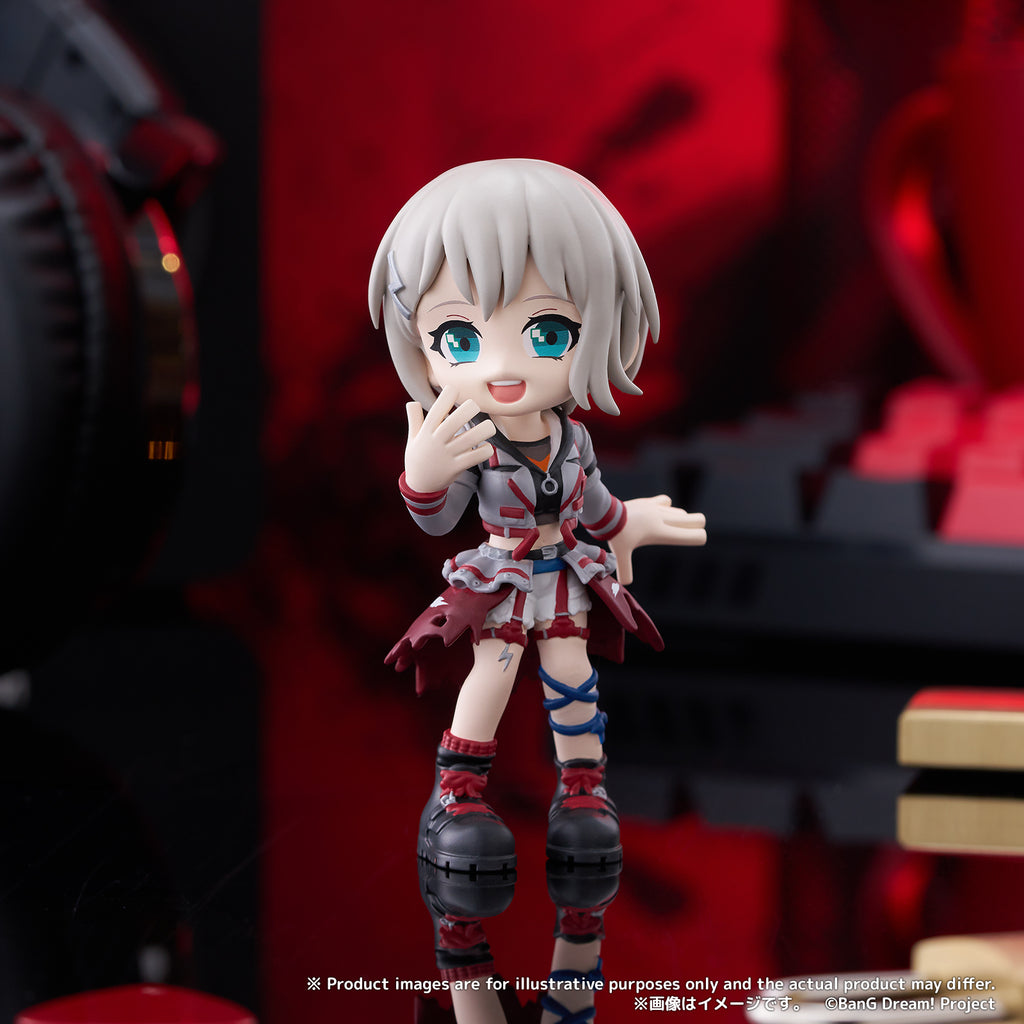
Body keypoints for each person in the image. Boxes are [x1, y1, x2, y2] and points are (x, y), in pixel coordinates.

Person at [369, 159, 706, 874]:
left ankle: (582, 792)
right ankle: (457, 796)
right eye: (460, 340)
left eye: (547, 332)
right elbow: (438, 518)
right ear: (422, 348)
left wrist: (628, 522)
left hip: (565, 575)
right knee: (492, 672)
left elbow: (591, 501)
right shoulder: (473, 443)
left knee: (571, 674)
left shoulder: (570, 437)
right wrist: (422, 478)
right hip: (502, 576)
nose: (502, 368)